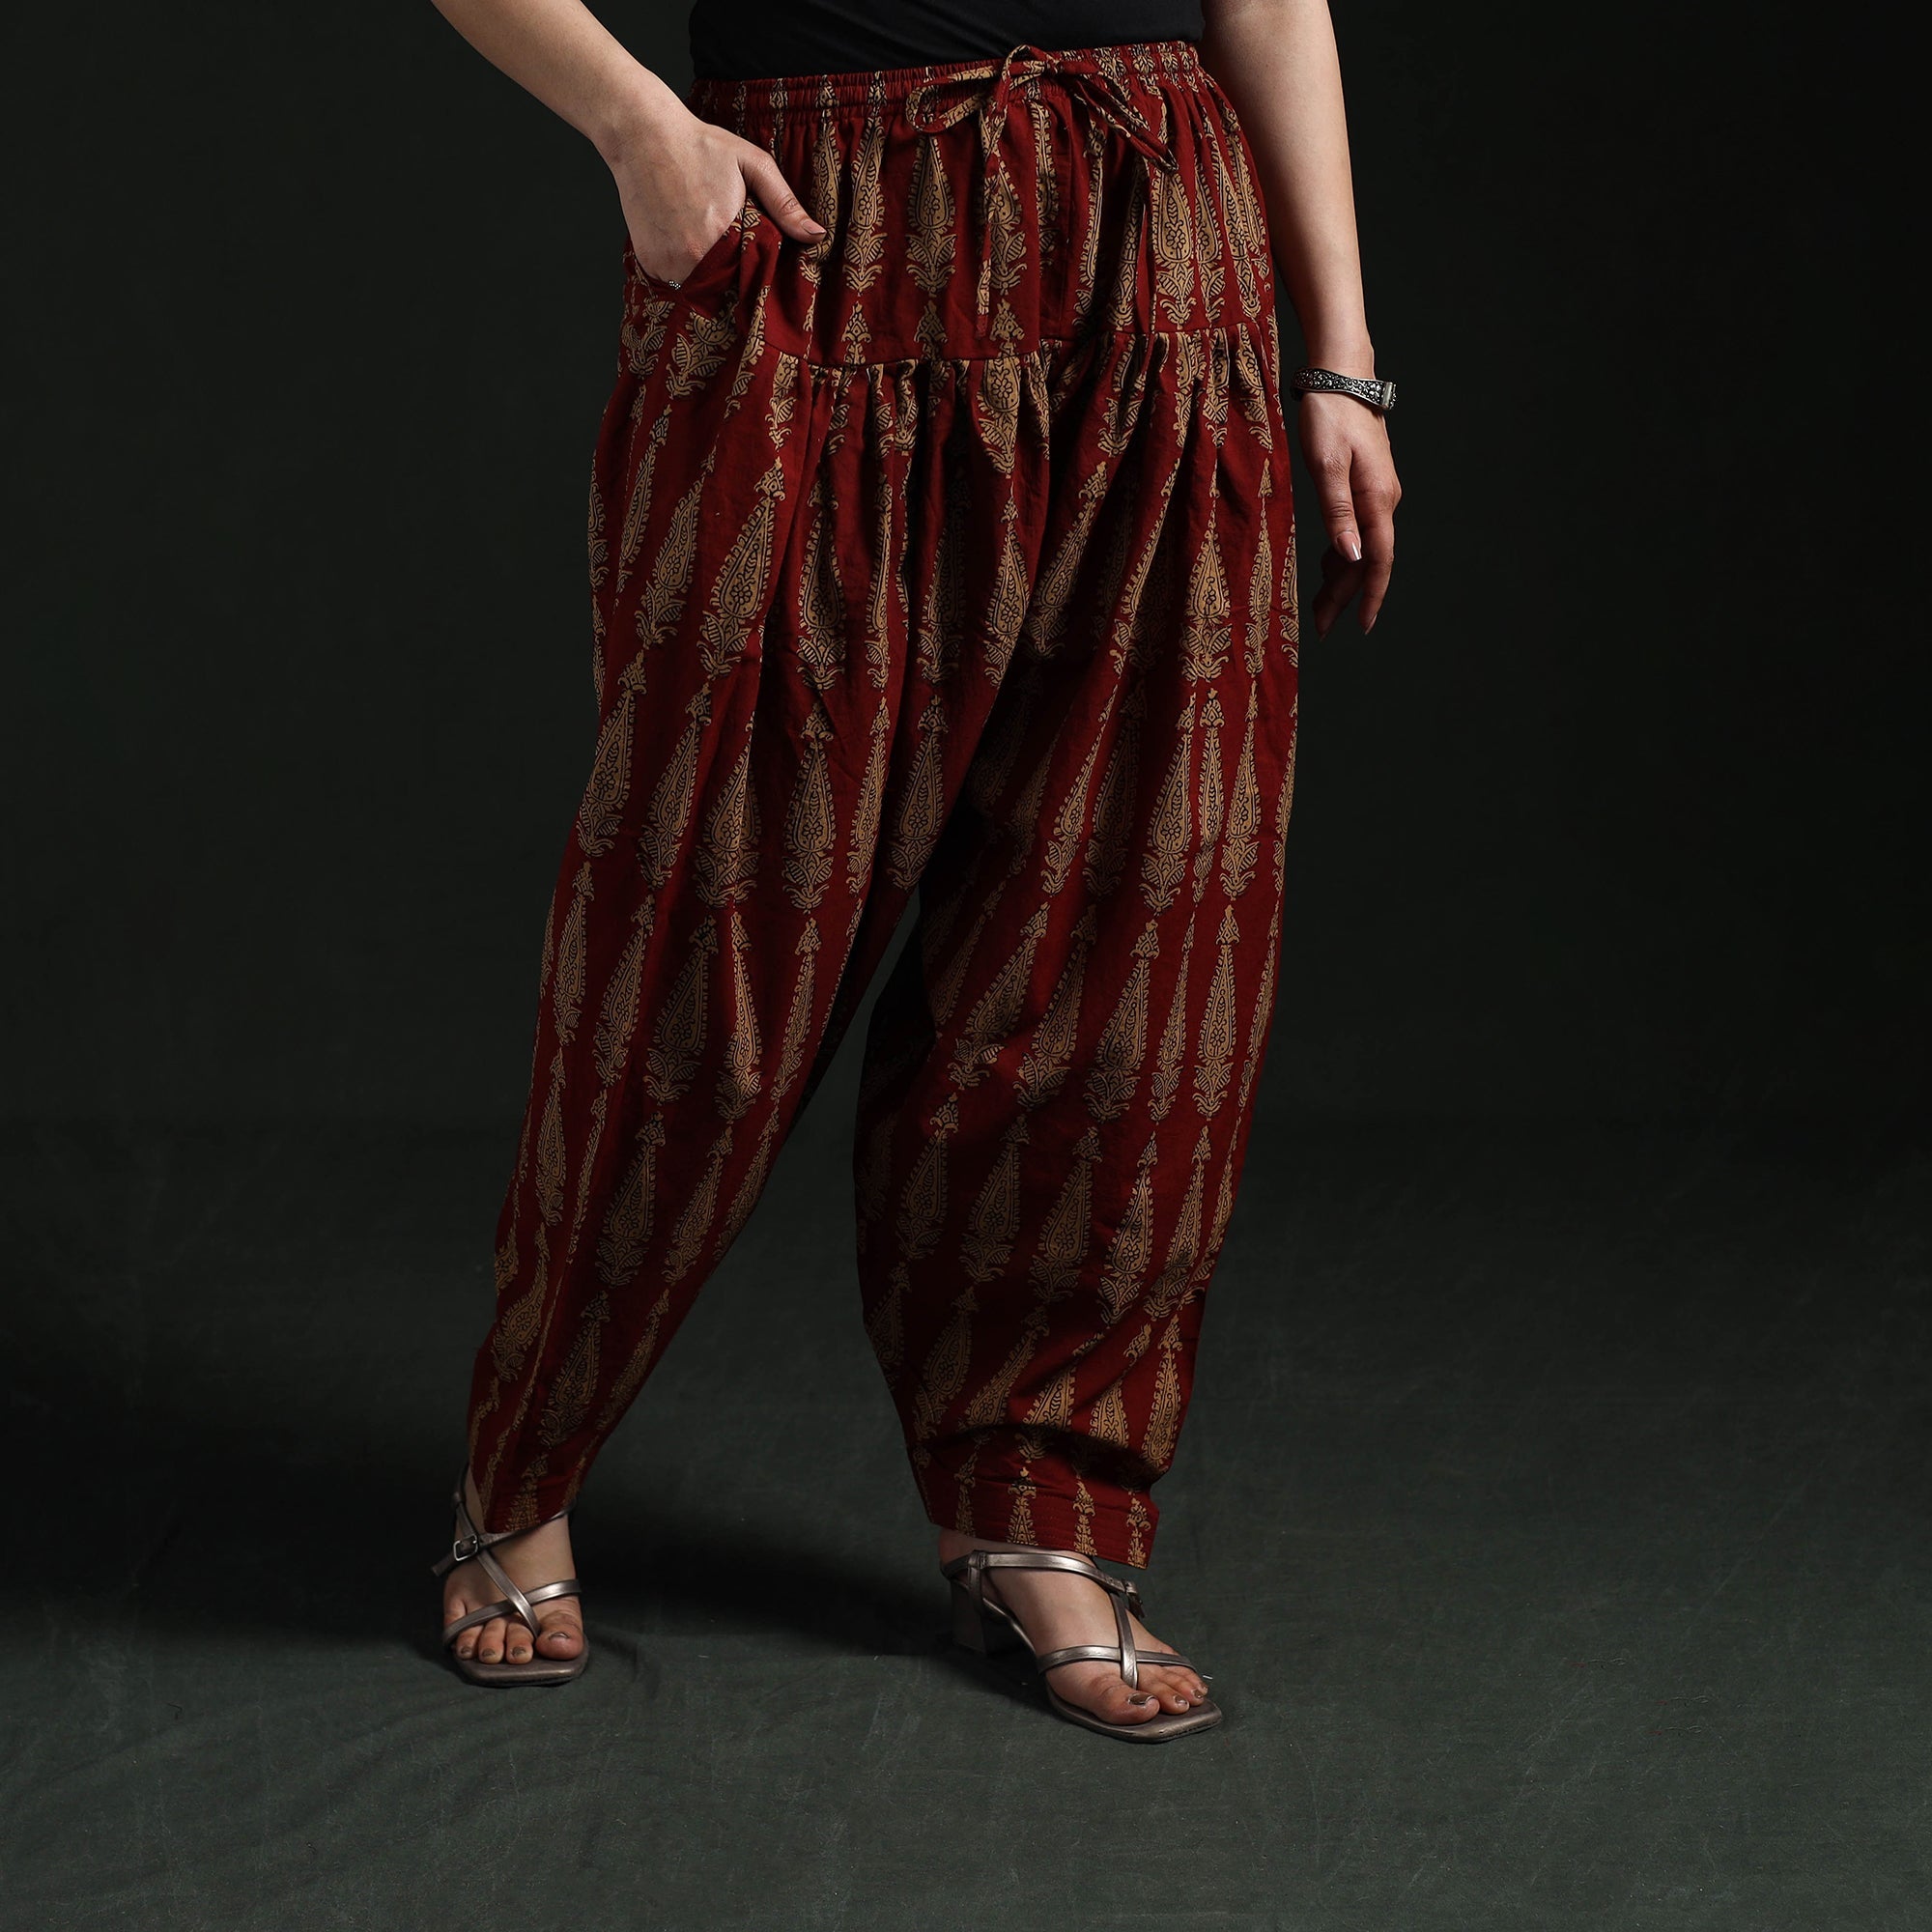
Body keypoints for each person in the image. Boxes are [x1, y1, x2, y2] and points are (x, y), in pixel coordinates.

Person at [425, 0, 1399, 1740]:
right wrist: (637, 126)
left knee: (1114, 924)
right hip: (825, 228)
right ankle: (524, 1461)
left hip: (1162, 238)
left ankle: (1037, 1504)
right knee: (711, 922)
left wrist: (1340, 352)